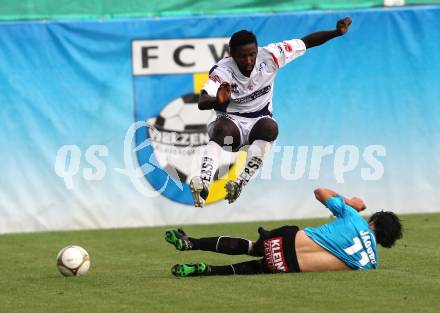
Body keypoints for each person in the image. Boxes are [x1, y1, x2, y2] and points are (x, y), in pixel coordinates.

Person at [190, 17, 353, 207]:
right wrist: (217, 100)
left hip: (258, 120)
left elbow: (306, 42)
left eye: (252, 54)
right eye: (243, 56)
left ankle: (240, 182)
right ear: (232, 54)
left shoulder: (271, 55)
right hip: (231, 122)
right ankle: (204, 183)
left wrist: (336, 33)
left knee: (271, 127)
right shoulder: (222, 71)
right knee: (221, 129)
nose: (249, 60)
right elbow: (202, 101)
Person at [165, 187, 403, 277]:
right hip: (290, 265)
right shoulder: (371, 264)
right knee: (259, 267)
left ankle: (190, 243)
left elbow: (320, 192)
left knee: (251, 247)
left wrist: (351, 202)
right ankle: (205, 271)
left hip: (288, 240)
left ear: (374, 220)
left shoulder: (355, 217)